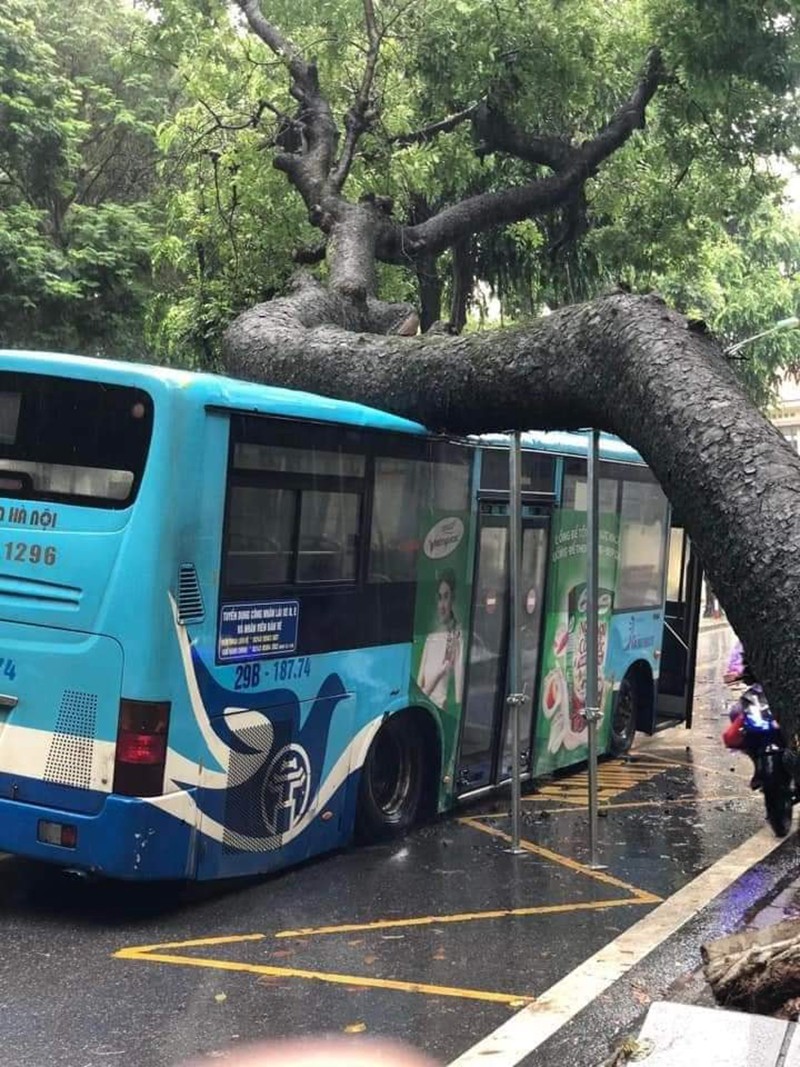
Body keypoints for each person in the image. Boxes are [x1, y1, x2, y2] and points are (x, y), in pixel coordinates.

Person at [417, 569, 464, 710]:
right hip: (423, 710)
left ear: (453, 599)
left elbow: (458, 697)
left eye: (446, 597)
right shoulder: (430, 638)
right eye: (439, 597)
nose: (441, 606)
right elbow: (419, 686)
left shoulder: (457, 638)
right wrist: (439, 673)